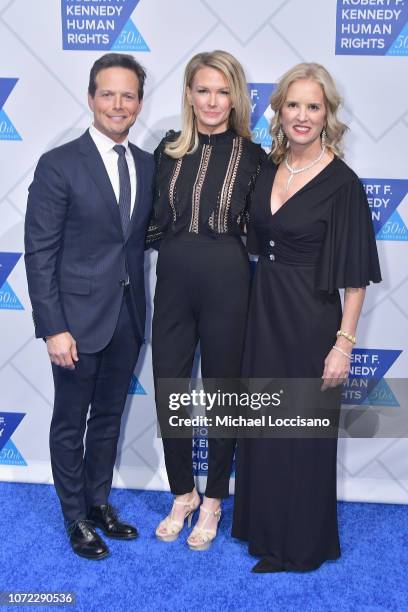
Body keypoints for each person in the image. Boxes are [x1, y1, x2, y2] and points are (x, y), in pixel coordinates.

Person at [232, 63, 381, 572]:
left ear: (327, 115)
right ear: (278, 111)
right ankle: (264, 529)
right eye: (293, 105)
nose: (302, 115)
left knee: (300, 431)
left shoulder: (343, 184)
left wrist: (343, 343)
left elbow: (356, 280)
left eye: (313, 106)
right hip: (264, 312)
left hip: (311, 319)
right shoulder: (269, 168)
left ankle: (300, 547)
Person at [24, 53, 154, 560]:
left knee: (108, 418)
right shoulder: (59, 164)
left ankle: (99, 504)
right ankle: (75, 516)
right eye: (108, 93)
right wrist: (53, 327)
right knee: (70, 421)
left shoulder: (146, 164)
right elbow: (40, 254)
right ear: (90, 97)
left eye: (128, 95)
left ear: (139, 102)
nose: (118, 104)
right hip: (74, 324)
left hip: (127, 318)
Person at [147, 50, 266, 550]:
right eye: (203, 90)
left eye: (222, 91)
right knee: (169, 388)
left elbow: (265, 230)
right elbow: (148, 221)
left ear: (235, 97)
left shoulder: (256, 157)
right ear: (189, 95)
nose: (212, 101)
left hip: (227, 278)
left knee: (223, 394)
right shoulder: (167, 149)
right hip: (173, 276)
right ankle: (183, 493)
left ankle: (214, 497)